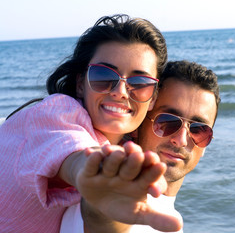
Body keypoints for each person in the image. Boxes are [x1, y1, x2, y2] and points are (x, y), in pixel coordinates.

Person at [0, 14, 172, 233]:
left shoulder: (125, 145)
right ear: (81, 84)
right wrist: (96, 168)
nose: (119, 92)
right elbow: (72, 152)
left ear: (153, 99)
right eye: (103, 75)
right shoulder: (56, 112)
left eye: (139, 83)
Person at [60, 60, 221, 232]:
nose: (181, 140)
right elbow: (100, 220)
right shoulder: (111, 200)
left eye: (199, 130)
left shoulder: (168, 218)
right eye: (166, 122)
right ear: (138, 125)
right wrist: (103, 215)